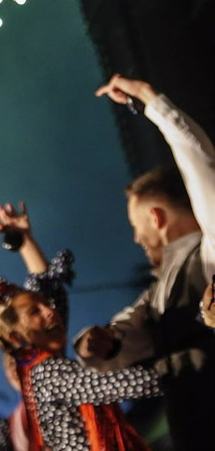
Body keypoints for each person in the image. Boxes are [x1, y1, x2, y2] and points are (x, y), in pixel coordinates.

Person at [72, 75, 215, 449]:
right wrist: (97, 343)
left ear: (155, 217)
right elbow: (125, 337)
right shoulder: (156, 295)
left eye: (136, 226)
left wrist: (151, 100)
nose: (135, 239)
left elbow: (203, 169)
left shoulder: (209, 252)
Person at [0, 202, 160, 451]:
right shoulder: (47, 374)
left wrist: (24, 241)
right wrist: (183, 366)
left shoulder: (45, 368)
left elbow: (49, 292)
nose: (50, 310)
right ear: (17, 338)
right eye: (36, 312)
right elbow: (114, 384)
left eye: (46, 306)